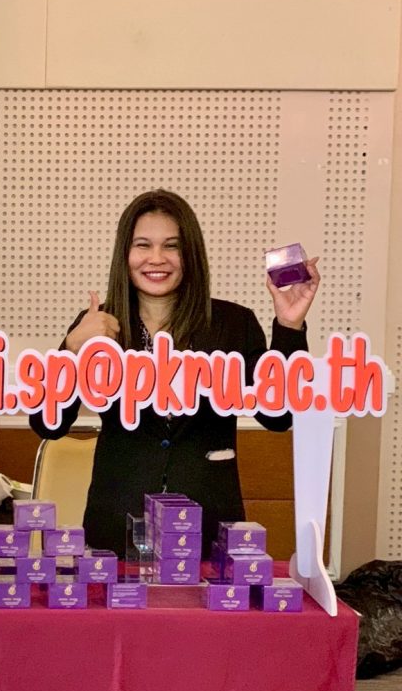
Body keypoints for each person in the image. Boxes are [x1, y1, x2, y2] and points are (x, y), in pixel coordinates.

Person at [30, 189, 320, 556]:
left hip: (210, 531)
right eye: (143, 245)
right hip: (116, 528)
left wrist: (289, 327)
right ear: (125, 254)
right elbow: (48, 425)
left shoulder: (233, 324)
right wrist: (71, 350)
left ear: (190, 255)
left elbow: (279, 416)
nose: (156, 258)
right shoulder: (97, 325)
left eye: (172, 246)